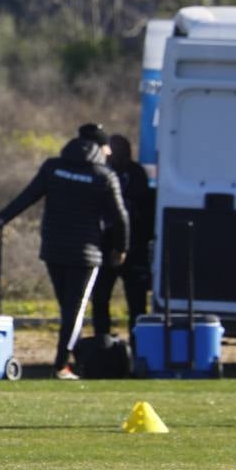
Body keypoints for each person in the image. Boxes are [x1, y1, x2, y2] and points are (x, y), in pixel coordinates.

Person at [0, 123, 128, 380]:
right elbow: (121, 218)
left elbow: (28, 196)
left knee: (67, 309)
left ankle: (69, 358)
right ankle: (62, 365)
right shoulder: (104, 175)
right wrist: (121, 248)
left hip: (53, 248)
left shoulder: (54, 167)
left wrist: (1, 219)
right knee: (75, 311)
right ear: (100, 147)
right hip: (86, 254)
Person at [89, 134, 154, 345]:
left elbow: (143, 207)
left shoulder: (136, 173)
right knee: (100, 299)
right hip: (105, 246)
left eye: (126, 152)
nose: (124, 156)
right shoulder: (102, 173)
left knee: (136, 302)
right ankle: (102, 343)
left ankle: (138, 344)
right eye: (120, 152)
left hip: (134, 248)